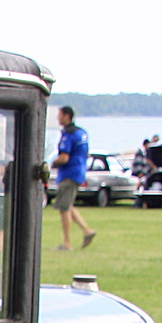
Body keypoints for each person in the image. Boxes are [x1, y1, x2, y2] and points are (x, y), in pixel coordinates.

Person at [50, 105, 95, 250]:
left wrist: (51, 163)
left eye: (60, 115)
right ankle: (87, 231)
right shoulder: (82, 133)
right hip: (79, 171)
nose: (58, 118)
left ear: (67, 116)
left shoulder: (68, 135)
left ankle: (67, 243)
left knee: (64, 208)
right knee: (68, 205)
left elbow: (63, 158)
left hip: (68, 173)